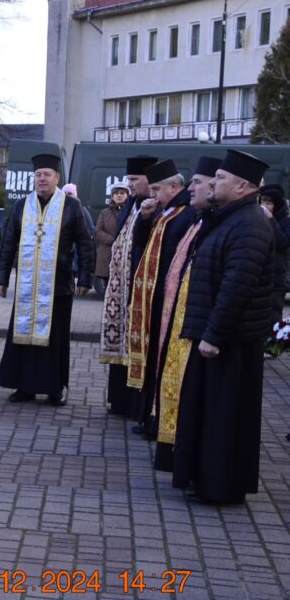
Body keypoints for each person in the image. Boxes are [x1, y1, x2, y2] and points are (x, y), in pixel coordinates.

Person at [173, 149, 274, 504]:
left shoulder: (249, 224)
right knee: (210, 412)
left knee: (224, 416)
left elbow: (238, 285)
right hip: (217, 334)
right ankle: (206, 480)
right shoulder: (230, 218)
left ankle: (220, 487)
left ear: (243, 185)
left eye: (221, 178)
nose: (213, 183)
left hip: (230, 340)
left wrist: (213, 335)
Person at [0, 153, 93, 406]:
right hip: (28, 285)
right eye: (38, 175)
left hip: (58, 287)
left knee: (55, 339)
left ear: (57, 178)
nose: (42, 179)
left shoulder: (71, 206)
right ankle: (24, 386)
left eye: (47, 175)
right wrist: (2, 276)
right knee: (23, 336)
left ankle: (55, 388)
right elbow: (8, 244)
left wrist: (85, 276)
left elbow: (85, 243)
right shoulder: (22, 206)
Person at [152, 156, 220, 472]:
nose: (190, 187)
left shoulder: (210, 220)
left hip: (202, 329)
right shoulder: (199, 218)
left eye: (197, 182)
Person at [125, 159, 197, 439]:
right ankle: (147, 416)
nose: (152, 194)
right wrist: (144, 218)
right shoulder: (163, 210)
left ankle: (156, 419)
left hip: (167, 299)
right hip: (153, 296)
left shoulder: (185, 214)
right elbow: (143, 243)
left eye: (157, 188)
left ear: (174, 186)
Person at [100, 155, 157, 417]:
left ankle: (135, 404)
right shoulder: (131, 205)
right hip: (121, 291)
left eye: (135, 179)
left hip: (141, 290)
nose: (130, 185)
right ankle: (120, 401)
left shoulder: (154, 207)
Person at [258, 184, 290, 323]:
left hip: (276, 280)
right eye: (262, 201)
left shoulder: (285, 222)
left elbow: (282, 242)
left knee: (272, 317)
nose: (264, 205)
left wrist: (271, 219)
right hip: (259, 276)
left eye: (269, 202)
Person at [93, 182, 129, 290]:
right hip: (107, 253)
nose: (119, 195)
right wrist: (112, 240)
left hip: (125, 252)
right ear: (112, 196)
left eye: (122, 193)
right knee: (108, 286)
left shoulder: (131, 211)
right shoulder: (105, 212)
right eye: (116, 193)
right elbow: (98, 231)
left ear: (127, 195)